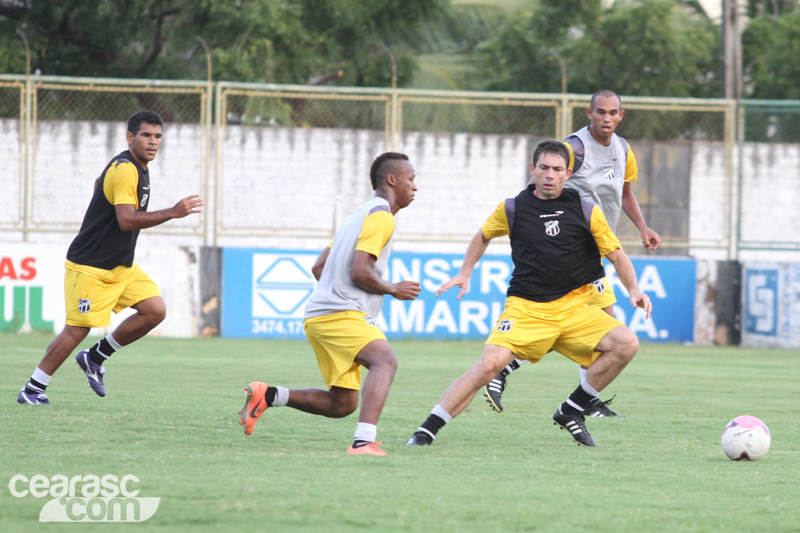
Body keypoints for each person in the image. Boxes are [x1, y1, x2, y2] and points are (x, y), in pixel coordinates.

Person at [406, 140, 651, 448]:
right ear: (533, 170)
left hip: (574, 309)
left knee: (626, 343)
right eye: (544, 168)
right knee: (487, 366)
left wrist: (634, 290)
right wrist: (465, 271)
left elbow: (616, 254)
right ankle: (425, 432)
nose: (550, 175)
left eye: (557, 169)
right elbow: (482, 236)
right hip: (526, 309)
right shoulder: (512, 208)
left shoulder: (587, 211)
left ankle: (571, 410)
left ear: (568, 173)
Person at [484, 89, 661, 416]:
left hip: (596, 249)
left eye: (612, 113)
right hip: (571, 249)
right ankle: (513, 375)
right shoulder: (573, 149)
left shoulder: (623, 149)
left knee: (599, 332)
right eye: (600, 112)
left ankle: (579, 399)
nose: (606, 118)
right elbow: (540, 182)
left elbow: (625, 194)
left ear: (621, 116)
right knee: (591, 329)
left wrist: (643, 228)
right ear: (589, 114)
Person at [17, 110, 205, 405]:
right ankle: (32, 389)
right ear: (130, 137)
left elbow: (99, 183)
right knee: (78, 329)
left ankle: (95, 357)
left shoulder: (136, 167)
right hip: (91, 266)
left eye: (157, 136)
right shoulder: (125, 168)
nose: (153, 142)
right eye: (146, 135)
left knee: (154, 310)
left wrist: (100, 200)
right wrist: (173, 211)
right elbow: (126, 220)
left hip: (121, 266)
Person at [239, 152, 420, 456]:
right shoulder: (382, 216)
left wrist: (334, 298)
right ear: (391, 180)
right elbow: (360, 271)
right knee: (385, 361)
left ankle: (268, 395)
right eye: (411, 179)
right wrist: (393, 289)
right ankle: (363, 442)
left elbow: (319, 267)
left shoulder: (358, 214)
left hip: (321, 315)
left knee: (343, 404)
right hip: (339, 314)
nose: (415, 187)